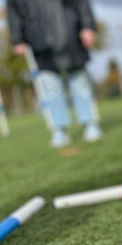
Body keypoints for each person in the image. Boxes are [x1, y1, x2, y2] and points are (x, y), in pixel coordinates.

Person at [7, 0, 103, 147]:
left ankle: (90, 124)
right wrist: (18, 38)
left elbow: (81, 3)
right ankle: (59, 129)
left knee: (80, 84)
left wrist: (87, 25)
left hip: (71, 34)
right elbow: (14, 11)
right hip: (39, 41)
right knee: (50, 88)